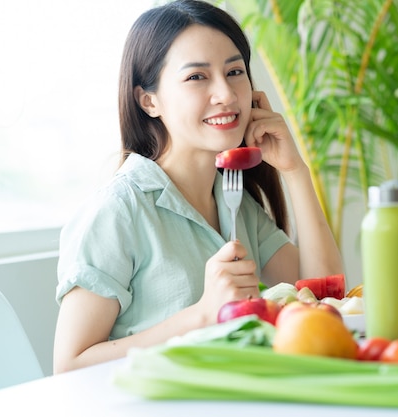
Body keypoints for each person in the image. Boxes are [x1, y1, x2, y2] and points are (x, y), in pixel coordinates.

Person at [53, 0, 343, 374]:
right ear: (149, 101)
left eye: (235, 71)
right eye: (196, 77)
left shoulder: (232, 200)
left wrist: (295, 170)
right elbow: (69, 365)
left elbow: (321, 296)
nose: (225, 93)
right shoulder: (119, 211)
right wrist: (203, 315)